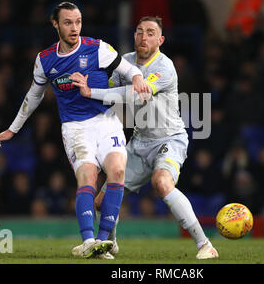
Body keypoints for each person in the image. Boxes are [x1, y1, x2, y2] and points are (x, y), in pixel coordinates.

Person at [0, 2, 150, 259]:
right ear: (55, 24)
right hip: (75, 128)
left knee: (117, 171)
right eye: (68, 22)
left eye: (78, 21)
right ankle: (88, 240)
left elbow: (128, 68)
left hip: (106, 119)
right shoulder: (45, 60)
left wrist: (138, 77)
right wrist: (13, 129)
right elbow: (34, 96)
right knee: (87, 176)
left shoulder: (97, 48)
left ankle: (103, 240)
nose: (74, 27)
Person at [69, 16, 219, 259]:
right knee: (100, 202)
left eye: (150, 32)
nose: (143, 37)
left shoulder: (164, 67)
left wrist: (91, 92)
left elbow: (137, 95)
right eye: (139, 31)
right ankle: (110, 243)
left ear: (160, 40)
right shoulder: (125, 62)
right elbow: (109, 92)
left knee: (162, 183)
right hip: (139, 142)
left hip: (169, 139)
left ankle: (205, 245)